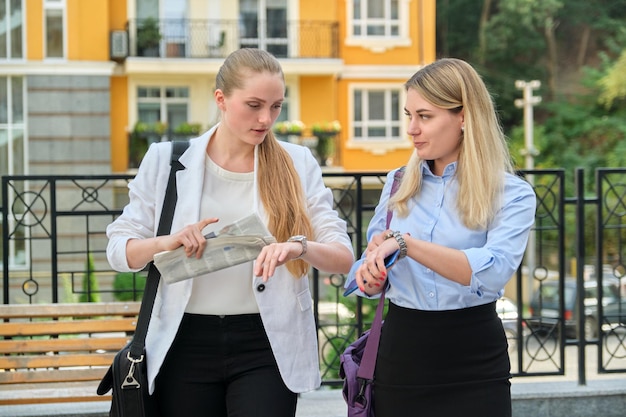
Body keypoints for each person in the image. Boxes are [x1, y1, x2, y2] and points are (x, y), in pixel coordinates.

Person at [106, 48, 354, 417]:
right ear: (221, 99)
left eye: (276, 106)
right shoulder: (166, 160)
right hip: (184, 341)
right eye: (254, 105)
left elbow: (343, 256)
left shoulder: (297, 163)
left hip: (268, 343)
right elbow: (118, 251)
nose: (265, 118)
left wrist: (298, 248)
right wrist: (167, 242)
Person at [344, 58, 536, 417]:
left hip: (475, 361)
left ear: (464, 117)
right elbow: (368, 267)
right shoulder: (398, 183)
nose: (412, 129)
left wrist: (406, 244)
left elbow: (492, 272)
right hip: (402, 358)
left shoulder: (512, 194)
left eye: (425, 116)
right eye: (409, 115)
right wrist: (369, 273)